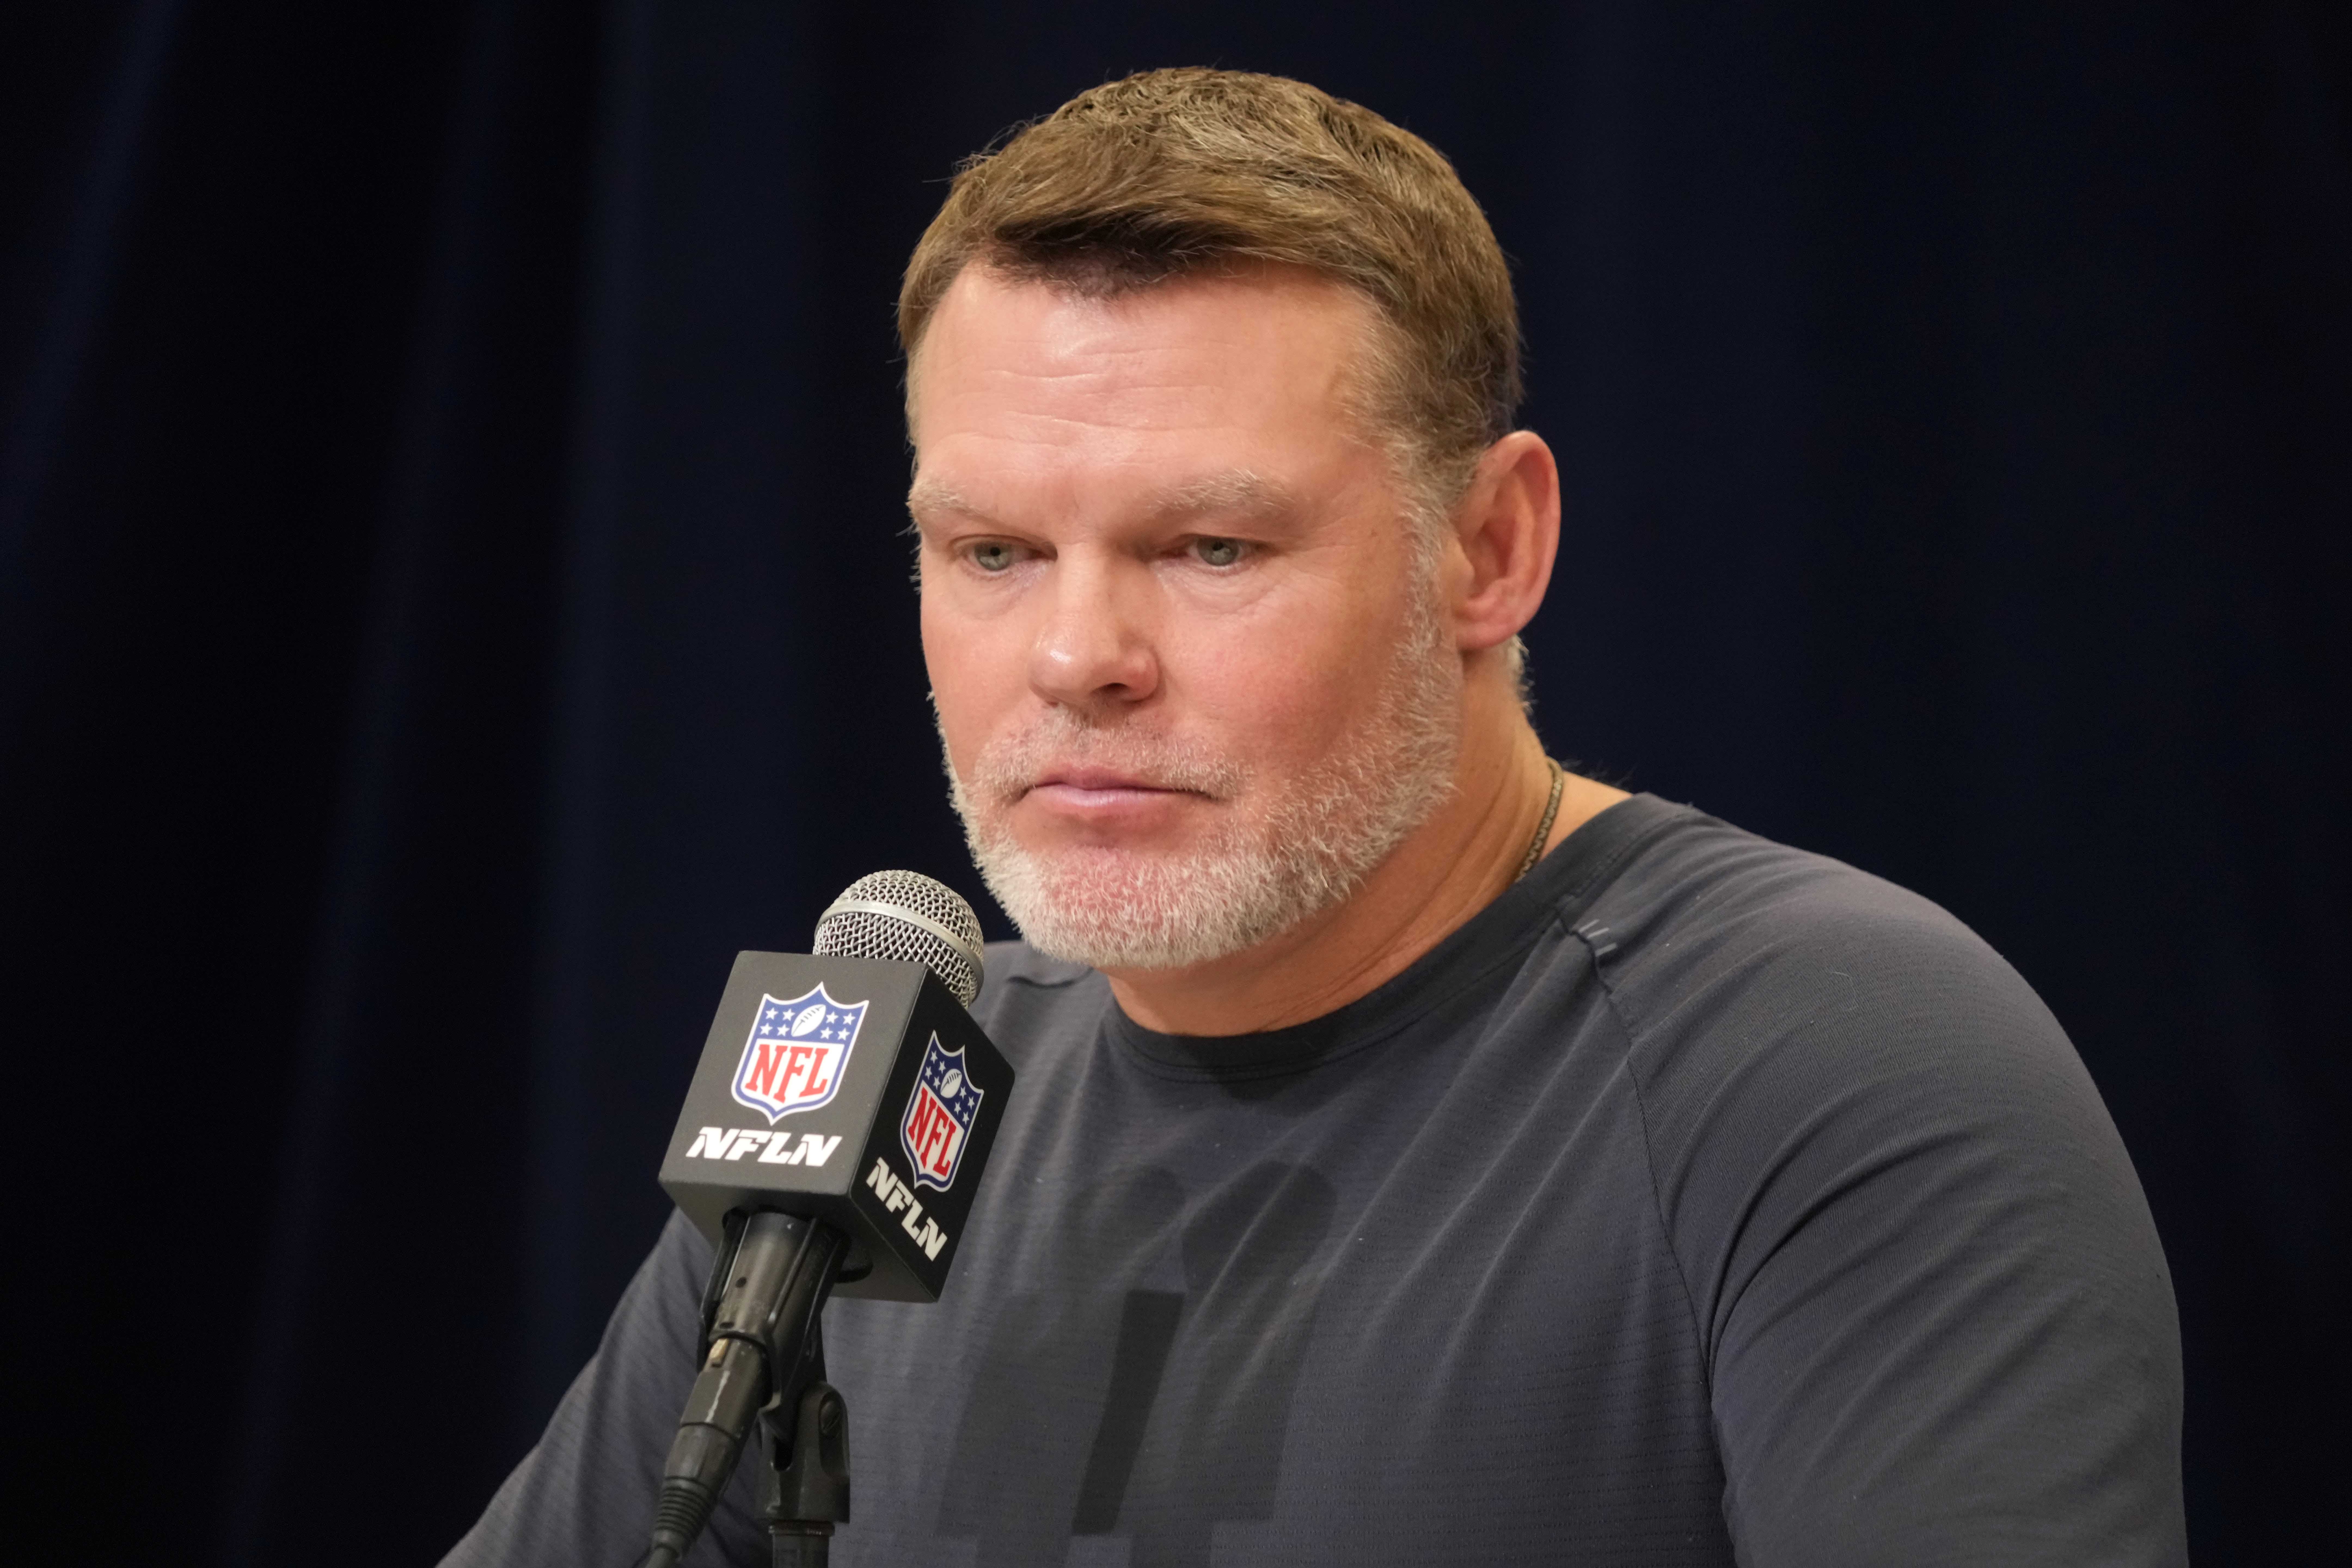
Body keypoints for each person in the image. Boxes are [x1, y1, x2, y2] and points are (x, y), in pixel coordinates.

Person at [445, 68, 2184, 1566]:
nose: (1076, 659)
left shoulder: (1831, 1057)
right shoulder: (889, 1097)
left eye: (1211, 549)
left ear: (1489, 551)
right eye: (991, 553)